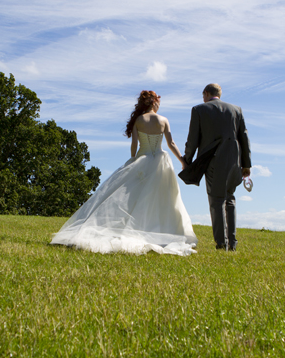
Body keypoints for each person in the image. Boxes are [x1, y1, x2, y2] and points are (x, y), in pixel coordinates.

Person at [50, 90, 198, 255]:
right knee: (165, 198)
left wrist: (134, 161)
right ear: (154, 103)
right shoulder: (163, 120)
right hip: (161, 162)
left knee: (135, 197)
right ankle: (164, 231)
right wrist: (182, 161)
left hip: (143, 159)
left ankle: (136, 228)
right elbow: (171, 143)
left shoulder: (138, 121)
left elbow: (134, 146)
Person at [183, 83, 251, 251]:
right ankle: (232, 244)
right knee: (230, 199)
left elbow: (193, 138)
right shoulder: (236, 109)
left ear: (206, 93)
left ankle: (221, 244)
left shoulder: (199, 110)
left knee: (216, 201)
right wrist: (247, 164)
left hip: (213, 160)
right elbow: (244, 137)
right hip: (235, 161)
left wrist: (187, 159)